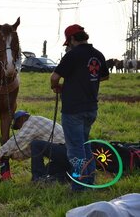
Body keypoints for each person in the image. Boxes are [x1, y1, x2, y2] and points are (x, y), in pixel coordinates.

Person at [50, 24, 109, 191]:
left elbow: (54, 78)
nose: (68, 45)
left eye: (68, 42)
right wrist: (85, 79)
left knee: (75, 150)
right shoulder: (98, 55)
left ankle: (79, 186)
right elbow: (104, 76)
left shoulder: (72, 55)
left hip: (73, 109)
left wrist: (57, 86)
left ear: (72, 39)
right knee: (84, 145)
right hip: (91, 108)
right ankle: (89, 181)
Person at [0, 110, 65, 181]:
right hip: (68, 155)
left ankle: (37, 178)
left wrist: (0, 153)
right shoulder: (36, 124)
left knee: (35, 144)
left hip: (64, 149)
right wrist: (13, 155)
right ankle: (62, 176)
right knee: (48, 170)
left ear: (21, 119)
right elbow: (31, 150)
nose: (20, 129)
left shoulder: (31, 122)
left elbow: (19, 138)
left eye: (18, 126)